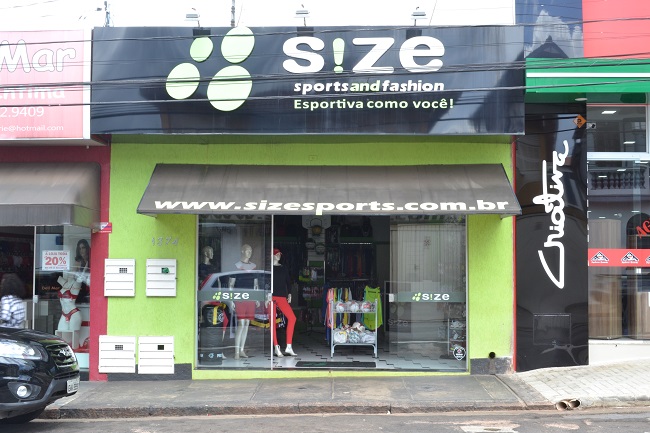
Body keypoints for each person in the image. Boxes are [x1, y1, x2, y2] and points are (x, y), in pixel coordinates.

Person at [270, 247, 297, 357]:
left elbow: (288, 282)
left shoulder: (283, 268)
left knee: (292, 318)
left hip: (281, 297)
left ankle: (288, 346)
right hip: (271, 297)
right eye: (276, 254)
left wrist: (289, 294)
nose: (278, 256)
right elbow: (265, 283)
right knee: (272, 322)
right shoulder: (269, 269)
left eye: (279, 254)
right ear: (272, 255)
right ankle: (276, 347)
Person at [233, 244, 257, 359]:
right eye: (247, 250)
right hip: (240, 298)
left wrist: (256, 298)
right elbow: (231, 284)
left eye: (251, 250)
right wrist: (231, 300)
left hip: (250, 298)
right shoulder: (237, 266)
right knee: (241, 323)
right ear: (242, 251)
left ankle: (242, 349)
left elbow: (256, 284)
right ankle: (236, 351)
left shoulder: (253, 266)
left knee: (247, 323)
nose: (249, 252)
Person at [56, 270, 82, 344]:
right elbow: (59, 278)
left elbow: (79, 280)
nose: (66, 273)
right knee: (60, 332)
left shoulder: (76, 284)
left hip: (74, 313)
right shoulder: (64, 284)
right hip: (64, 314)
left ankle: (74, 349)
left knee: (73, 335)